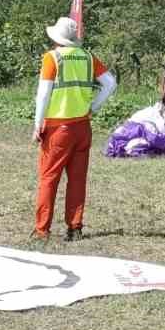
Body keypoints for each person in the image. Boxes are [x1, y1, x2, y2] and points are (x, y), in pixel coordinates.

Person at [32, 15, 118, 242]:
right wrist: (93, 106)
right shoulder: (88, 57)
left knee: (49, 178)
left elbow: (43, 94)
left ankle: (42, 231)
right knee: (77, 179)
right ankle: (75, 227)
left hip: (57, 127)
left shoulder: (53, 58)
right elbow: (110, 83)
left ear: (56, 38)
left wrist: (37, 124)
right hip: (82, 126)